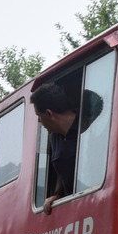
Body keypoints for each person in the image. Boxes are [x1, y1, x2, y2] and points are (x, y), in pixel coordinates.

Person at [31, 83, 79, 213]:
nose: (40, 122)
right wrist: (57, 194)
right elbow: (61, 169)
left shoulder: (86, 127)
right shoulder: (54, 138)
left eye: (39, 116)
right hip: (72, 208)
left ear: (49, 113)